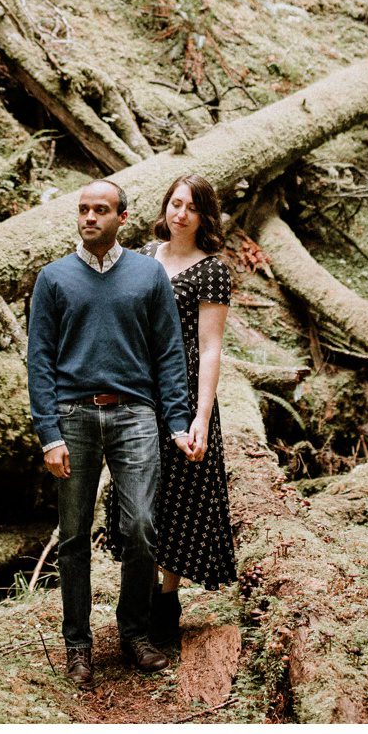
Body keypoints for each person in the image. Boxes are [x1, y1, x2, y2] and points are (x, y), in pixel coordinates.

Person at [26, 179, 193, 688]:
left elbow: (169, 352)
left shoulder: (148, 274)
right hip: (73, 416)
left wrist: (178, 421)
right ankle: (77, 646)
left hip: (135, 414)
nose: (89, 217)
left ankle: (134, 633)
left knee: (141, 526)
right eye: (83, 209)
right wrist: (49, 433)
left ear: (122, 217)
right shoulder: (53, 278)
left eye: (101, 209)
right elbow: (39, 360)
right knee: (74, 535)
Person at [105, 174, 237, 649]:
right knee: (139, 494)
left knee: (182, 494)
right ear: (165, 207)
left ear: (205, 216)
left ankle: (166, 601)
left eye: (192, 207)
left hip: (185, 394)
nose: (181, 214)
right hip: (139, 391)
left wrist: (201, 416)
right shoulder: (141, 257)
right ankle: (137, 599)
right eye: (176, 203)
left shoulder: (213, 270)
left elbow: (211, 346)